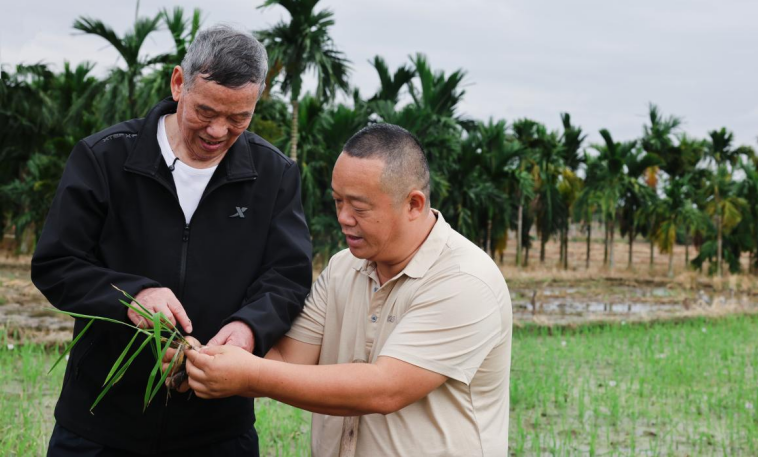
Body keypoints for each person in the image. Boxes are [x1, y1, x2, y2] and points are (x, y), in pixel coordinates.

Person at [32, 25, 313, 457]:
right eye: (206, 111)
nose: (218, 131)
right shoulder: (105, 158)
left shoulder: (273, 176)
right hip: (99, 425)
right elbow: (57, 264)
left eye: (239, 118)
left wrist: (249, 328)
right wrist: (133, 295)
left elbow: (288, 276)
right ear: (179, 83)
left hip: (218, 430)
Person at [181, 124, 513, 457]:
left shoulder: (464, 280)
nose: (343, 218)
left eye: (359, 207)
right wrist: (201, 357)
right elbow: (287, 359)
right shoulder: (343, 268)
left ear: (413, 204)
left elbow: (385, 389)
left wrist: (248, 374)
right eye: (338, 201)